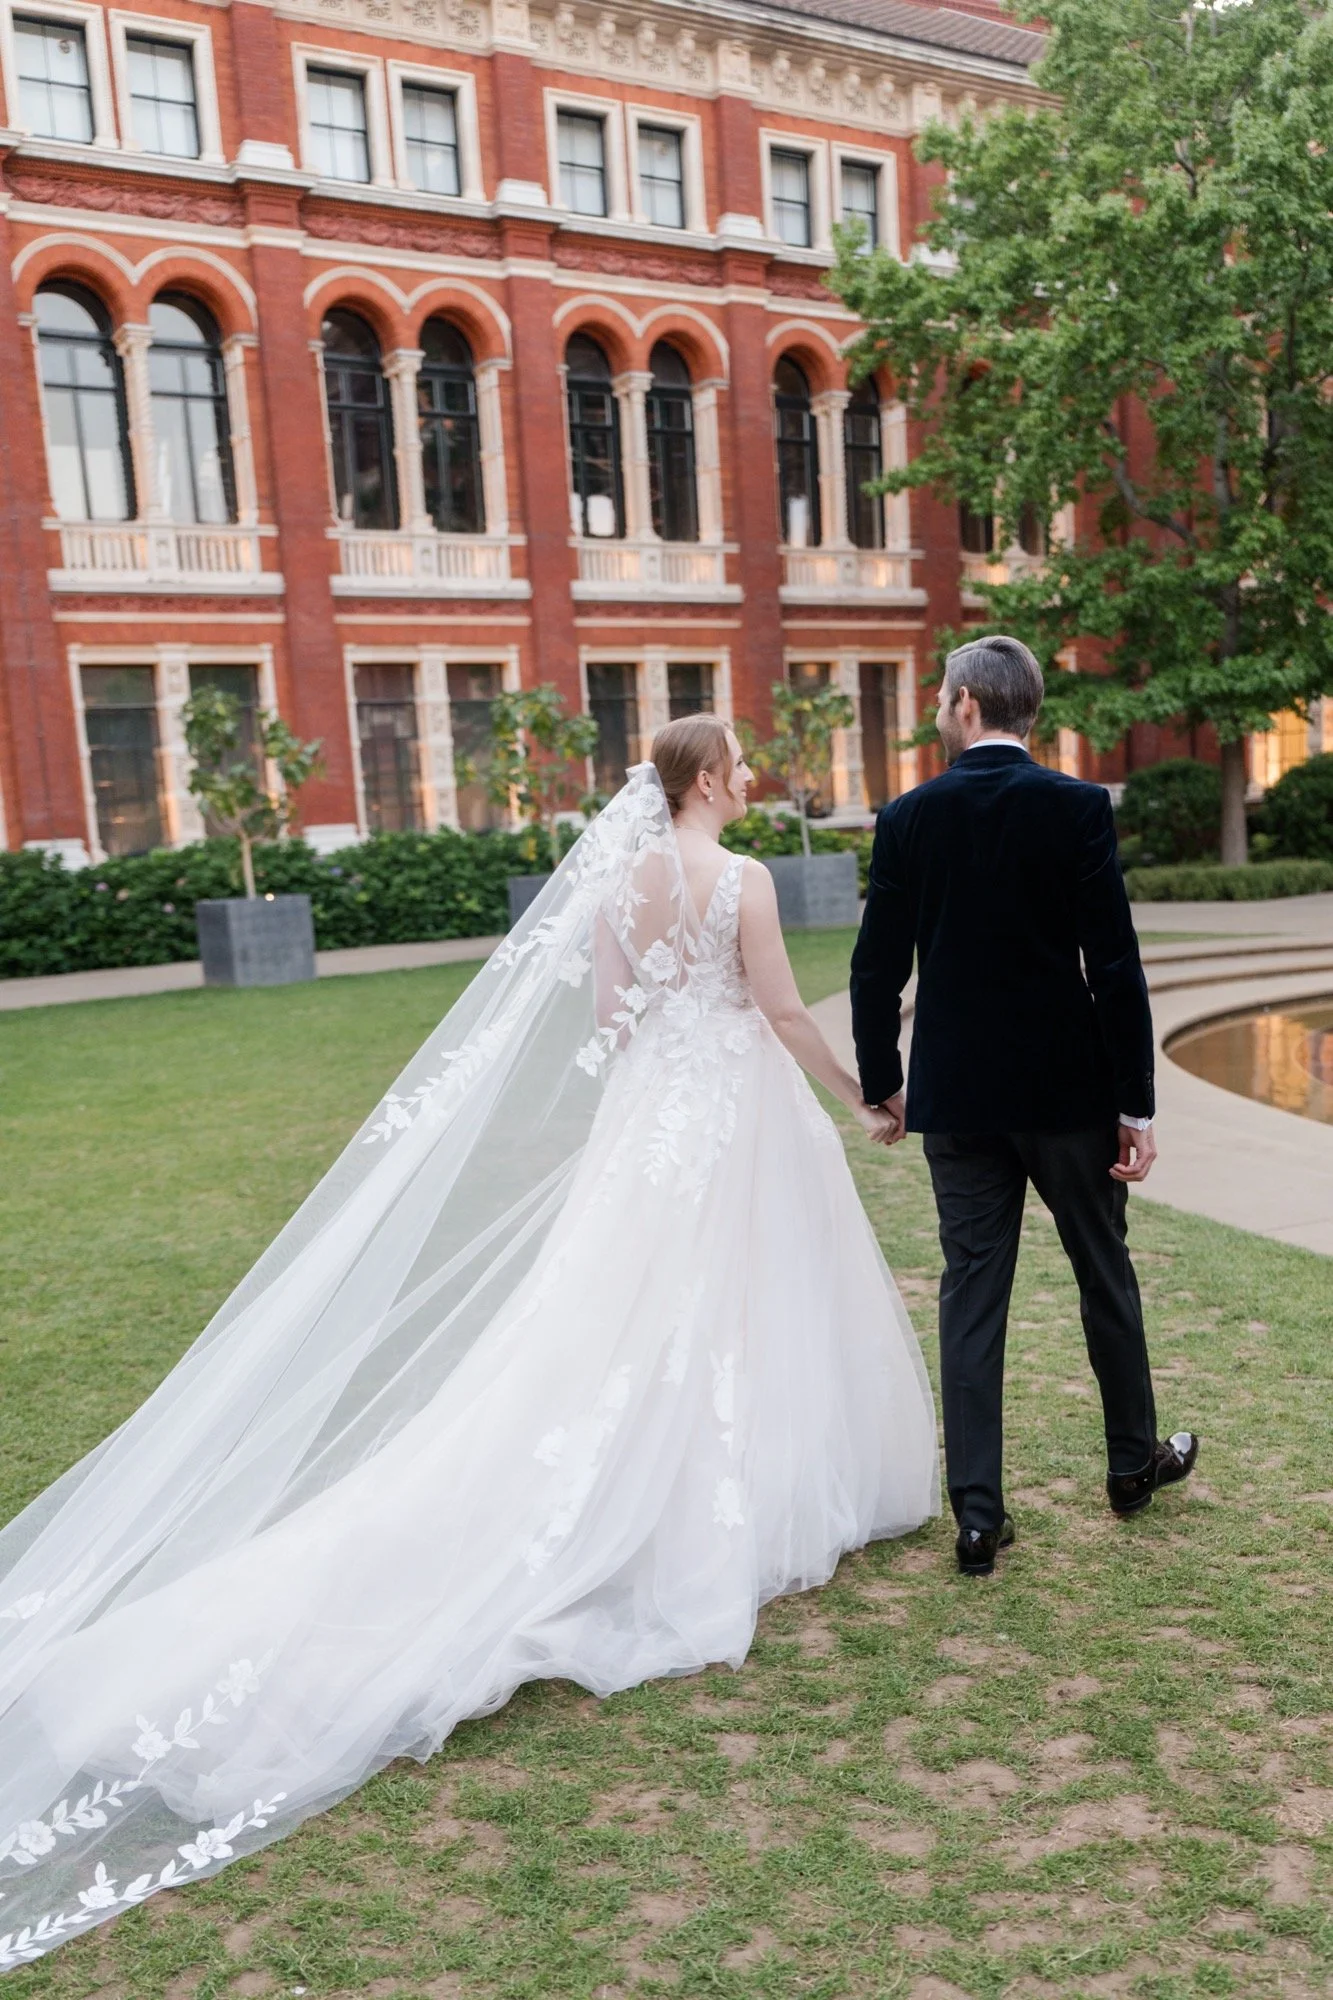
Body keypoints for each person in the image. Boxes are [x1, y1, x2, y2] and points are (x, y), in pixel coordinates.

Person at [0, 717, 937, 1971]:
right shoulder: (746, 879)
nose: (751, 781)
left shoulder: (617, 878)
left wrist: (655, 1096)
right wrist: (866, 1095)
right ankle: (724, 1497)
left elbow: (611, 1013)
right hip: (735, 1117)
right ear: (708, 777)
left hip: (652, 1120)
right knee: (744, 1300)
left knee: (620, 1321)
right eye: (740, 766)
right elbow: (775, 1010)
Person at [850, 635, 1198, 1578]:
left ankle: (976, 1519)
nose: (933, 704)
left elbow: (876, 965)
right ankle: (1132, 1466)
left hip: (958, 1096)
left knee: (970, 1293)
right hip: (1068, 1092)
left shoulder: (908, 815)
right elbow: (1114, 966)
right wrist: (1136, 1104)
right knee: (1102, 1270)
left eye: (937, 694)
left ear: (966, 703)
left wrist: (881, 1078)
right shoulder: (1078, 806)